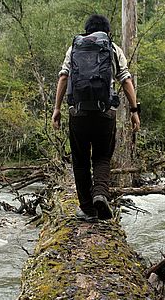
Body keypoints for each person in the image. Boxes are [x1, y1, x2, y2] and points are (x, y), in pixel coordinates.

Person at [52, 14, 140, 222]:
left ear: (86, 30)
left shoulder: (74, 49)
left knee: (80, 161)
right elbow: (126, 80)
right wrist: (134, 111)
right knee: (102, 157)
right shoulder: (113, 49)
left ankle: (87, 209)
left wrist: (57, 109)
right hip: (105, 113)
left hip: (78, 113)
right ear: (107, 32)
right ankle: (100, 194)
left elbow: (63, 77)